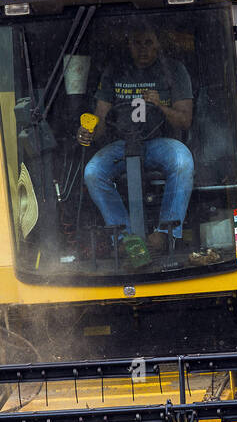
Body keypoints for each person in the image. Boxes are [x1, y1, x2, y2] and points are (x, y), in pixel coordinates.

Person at [81, 19, 194, 254]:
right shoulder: (115, 70)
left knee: (183, 161)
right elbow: (100, 117)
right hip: (123, 144)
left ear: (158, 45)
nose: (142, 48)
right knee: (93, 172)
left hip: (159, 143)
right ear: (128, 45)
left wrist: (159, 105)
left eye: (148, 43)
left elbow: (185, 120)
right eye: (136, 43)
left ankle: (166, 234)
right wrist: (89, 131)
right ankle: (125, 237)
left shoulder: (174, 69)